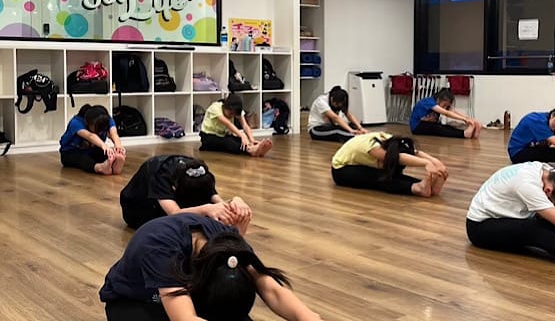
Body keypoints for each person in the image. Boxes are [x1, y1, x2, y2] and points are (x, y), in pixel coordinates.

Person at [99, 213, 322, 321]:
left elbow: (270, 288)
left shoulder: (230, 244)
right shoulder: (159, 249)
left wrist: (307, 316)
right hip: (134, 299)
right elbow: (185, 318)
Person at [119, 155, 252, 233]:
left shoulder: (200, 174)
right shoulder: (161, 176)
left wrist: (236, 201)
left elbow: (217, 201)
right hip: (137, 207)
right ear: (174, 188)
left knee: (206, 215)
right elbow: (174, 213)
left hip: (181, 193)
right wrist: (206, 209)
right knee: (177, 227)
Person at [331, 131, 448, 197]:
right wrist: (426, 163)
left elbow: (414, 152)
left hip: (360, 164)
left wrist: (436, 162)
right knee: (381, 178)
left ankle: (424, 186)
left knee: (391, 173)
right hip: (341, 170)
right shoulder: (373, 148)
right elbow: (397, 157)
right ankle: (416, 188)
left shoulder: (393, 142)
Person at [59, 104, 126, 175]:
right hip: (69, 152)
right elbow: (90, 136)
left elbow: (113, 133)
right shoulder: (76, 123)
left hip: (91, 150)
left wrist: (118, 146)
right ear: (87, 123)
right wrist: (104, 145)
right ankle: (99, 167)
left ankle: (114, 165)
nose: (100, 133)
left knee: (105, 154)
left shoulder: (106, 119)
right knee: (83, 158)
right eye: (98, 129)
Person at [199, 94, 273, 156]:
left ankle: (255, 149)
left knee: (238, 140)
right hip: (208, 136)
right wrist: (242, 136)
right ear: (225, 107)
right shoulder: (215, 107)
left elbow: (245, 125)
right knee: (227, 142)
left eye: (234, 115)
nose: (232, 116)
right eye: (231, 113)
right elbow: (228, 124)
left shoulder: (237, 110)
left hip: (223, 135)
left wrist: (252, 140)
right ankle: (251, 150)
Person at [409, 88, 482, 139]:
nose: (445, 107)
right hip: (417, 127)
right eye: (444, 105)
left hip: (428, 125)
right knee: (438, 128)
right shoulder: (428, 102)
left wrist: (468, 119)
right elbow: (446, 113)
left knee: (446, 127)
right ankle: (464, 134)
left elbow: (453, 111)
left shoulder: (439, 102)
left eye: (447, 106)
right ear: (438, 99)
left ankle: (467, 133)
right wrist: (464, 119)